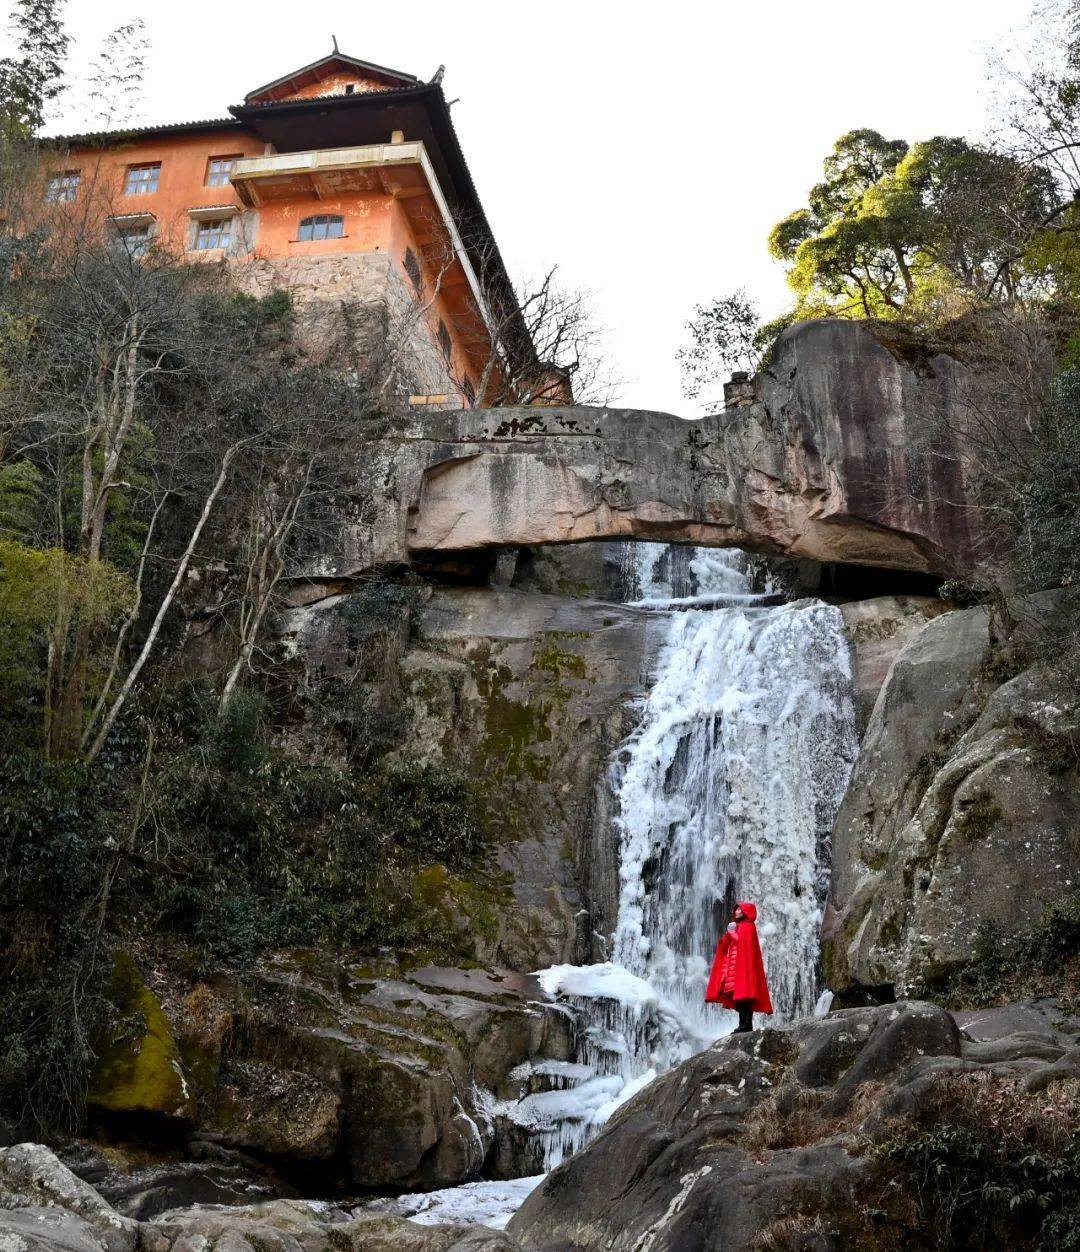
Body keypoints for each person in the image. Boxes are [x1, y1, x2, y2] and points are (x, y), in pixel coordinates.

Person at [704, 900, 773, 1032]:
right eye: (736, 910)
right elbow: (725, 946)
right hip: (736, 970)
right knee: (741, 999)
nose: (736, 912)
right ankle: (743, 1024)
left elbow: (742, 943)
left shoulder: (748, 926)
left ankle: (746, 1025)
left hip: (744, 971)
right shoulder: (739, 926)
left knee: (745, 998)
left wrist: (731, 932)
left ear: (746, 912)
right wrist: (729, 934)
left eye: (739, 910)